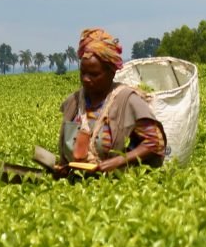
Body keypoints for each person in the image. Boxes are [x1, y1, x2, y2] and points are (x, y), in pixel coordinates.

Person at [56, 28, 166, 173]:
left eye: (94, 74)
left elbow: (155, 143)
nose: (86, 79)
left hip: (116, 186)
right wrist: (62, 168)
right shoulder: (74, 102)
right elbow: (67, 152)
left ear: (111, 73)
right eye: (83, 73)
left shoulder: (127, 100)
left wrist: (119, 161)